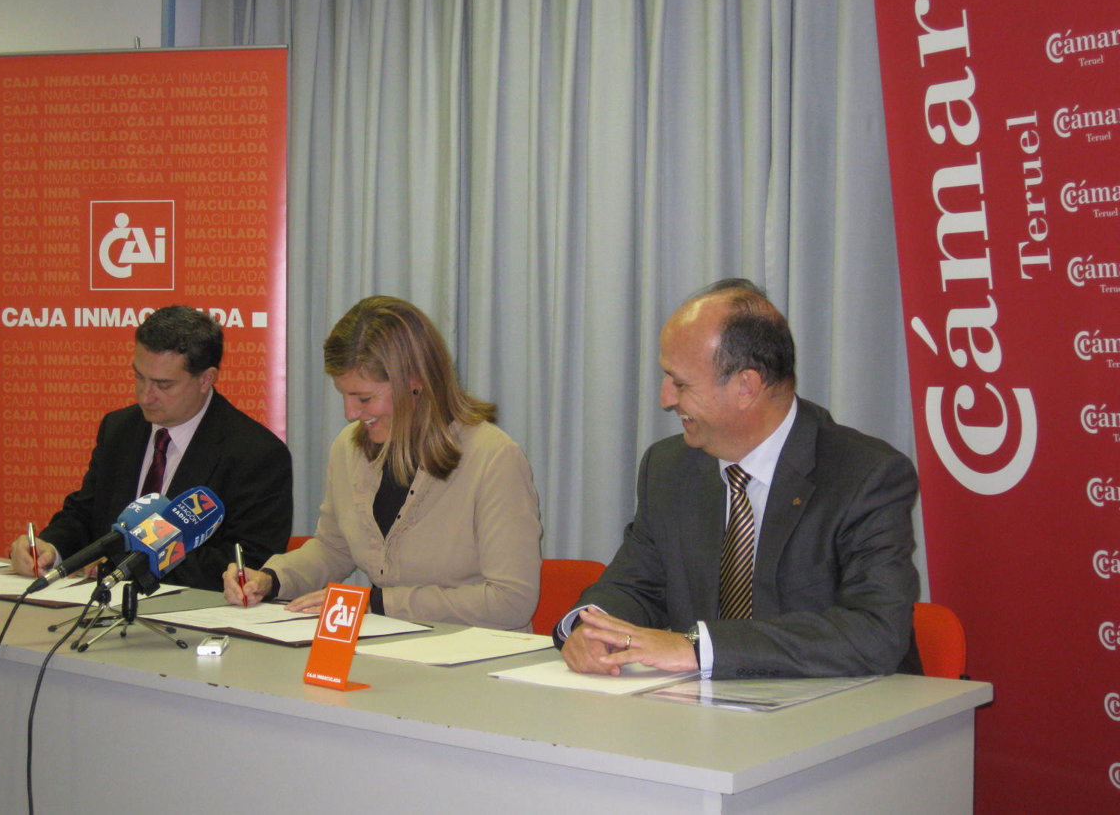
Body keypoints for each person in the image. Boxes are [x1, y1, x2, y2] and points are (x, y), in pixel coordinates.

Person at [558, 279, 922, 679]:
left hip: (846, 704)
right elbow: (636, 583)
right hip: (699, 705)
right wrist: (593, 628)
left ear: (746, 387)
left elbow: (875, 631)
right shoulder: (669, 467)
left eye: (680, 383)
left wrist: (701, 649)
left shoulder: (865, 475)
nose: (665, 399)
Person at [223, 295, 542, 631]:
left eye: (364, 398)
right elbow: (334, 548)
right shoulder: (348, 448)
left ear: (415, 382)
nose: (350, 413)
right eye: (344, 395)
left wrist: (377, 603)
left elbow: (511, 602)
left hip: (478, 654)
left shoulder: (494, 458)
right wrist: (271, 579)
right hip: (387, 644)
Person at [8, 305, 293, 592]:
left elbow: (248, 562)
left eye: (163, 385)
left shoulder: (256, 453)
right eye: (139, 377)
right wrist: (49, 548)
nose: (145, 396)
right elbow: (84, 513)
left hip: (193, 609)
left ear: (206, 379)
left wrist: (127, 565)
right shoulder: (119, 428)